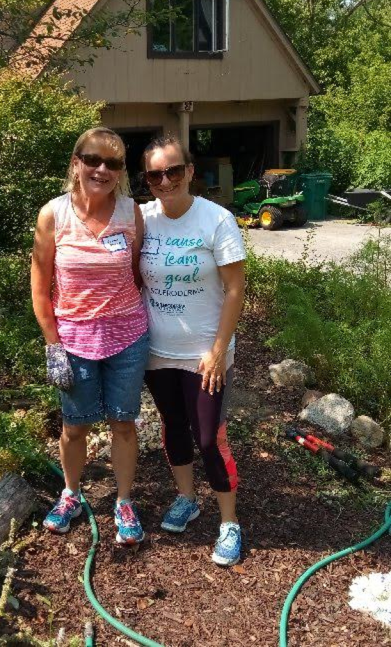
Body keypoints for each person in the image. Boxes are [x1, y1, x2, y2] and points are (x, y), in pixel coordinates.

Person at [31, 127, 150, 546]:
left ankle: (122, 501)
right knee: (75, 427)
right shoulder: (54, 215)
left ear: (121, 171)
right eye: (93, 159)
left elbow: (138, 274)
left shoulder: (130, 213)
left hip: (128, 337)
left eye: (113, 163)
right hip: (74, 340)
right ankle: (71, 494)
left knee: (123, 423)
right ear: (76, 162)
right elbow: (40, 283)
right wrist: (52, 343)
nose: (102, 169)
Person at [139, 136, 247, 566]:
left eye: (173, 171)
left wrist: (219, 350)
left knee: (208, 438)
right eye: (154, 174)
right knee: (173, 426)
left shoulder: (216, 220)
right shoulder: (142, 218)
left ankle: (229, 522)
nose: (165, 181)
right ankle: (187, 497)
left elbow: (236, 289)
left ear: (189, 171)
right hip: (156, 350)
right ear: (146, 180)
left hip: (205, 353)